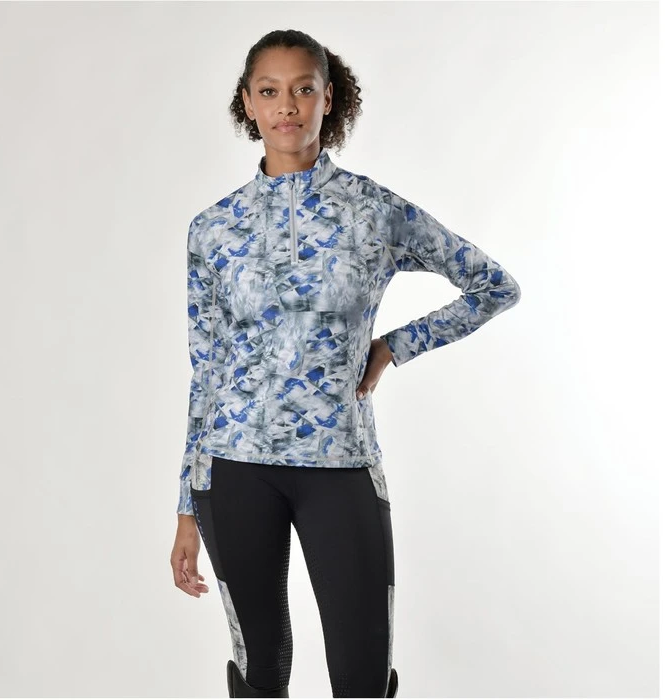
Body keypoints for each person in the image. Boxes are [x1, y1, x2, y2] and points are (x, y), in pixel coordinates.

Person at [169, 29, 521, 699]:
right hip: (233, 470)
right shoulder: (213, 229)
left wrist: (393, 347)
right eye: (269, 91)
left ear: (329, 98)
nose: (287, 106)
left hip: (341, 463)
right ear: (247, 102)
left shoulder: (376, 211)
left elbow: (494, 286)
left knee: (363, 676)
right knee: (258, 672)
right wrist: (186, 506)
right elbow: (206, 369)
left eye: (303, 89)